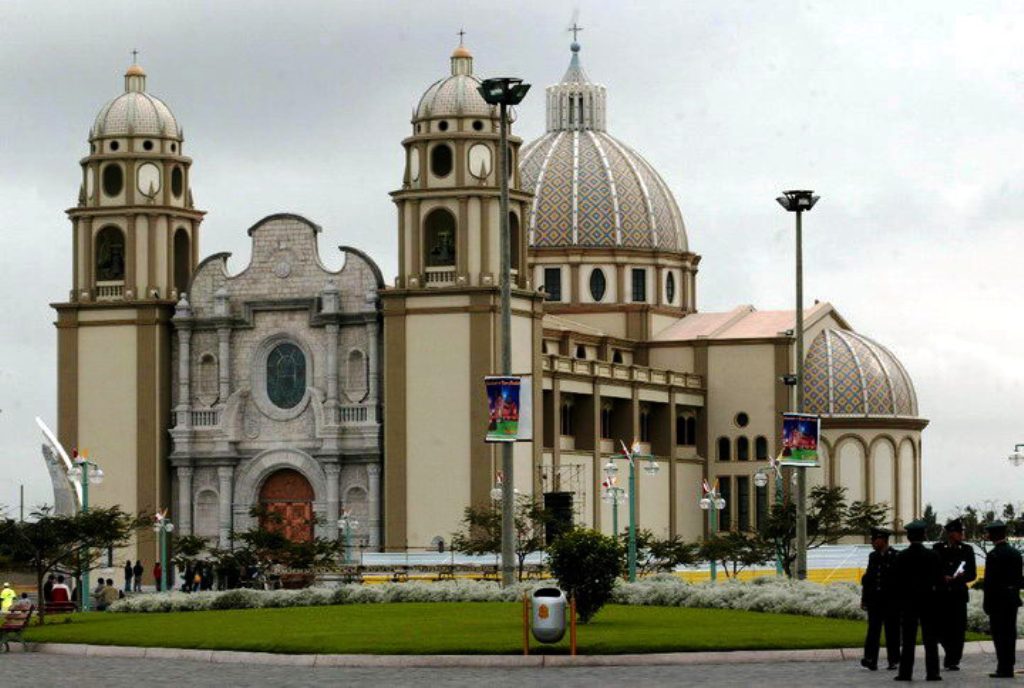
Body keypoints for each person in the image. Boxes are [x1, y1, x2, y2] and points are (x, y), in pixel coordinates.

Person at [894, 519, 943, 682]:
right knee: (930, 639)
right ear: (923, 535)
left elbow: (897, 582)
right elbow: (939, 581)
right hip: (929, 602)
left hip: (909, 603)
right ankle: (933, 672)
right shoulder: (933, 556)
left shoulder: (901, 557)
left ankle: (905, 672)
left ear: (908, 537)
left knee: (908, 639)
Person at [932, 517, 976, 671]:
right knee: (941, 628)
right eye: (959, 532)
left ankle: (953, 659)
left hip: (958, 594)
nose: (961, 534)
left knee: (958, 629)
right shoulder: (938, 548)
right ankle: (950, 652)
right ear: (951, 533)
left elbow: (972, 574)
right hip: (942, 595)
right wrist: (942, 577)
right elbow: (933, 570)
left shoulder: (967, 550)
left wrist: (960, 577)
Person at [983, 520, 1023, 679]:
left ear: (993, 535)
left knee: (999, 634)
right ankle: (1009, 665)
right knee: (1010, 633)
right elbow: (1019, 579)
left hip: (997, 601)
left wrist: (987, 603)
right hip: (1011, 600)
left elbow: (989, 582)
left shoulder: (993, 555)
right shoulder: (1015, 553)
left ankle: (1002, 666)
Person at [861, 526, 900, 671]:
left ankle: (894, 659)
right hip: (875, 600)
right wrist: (865, 599)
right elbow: (868, 579)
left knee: (892, 631)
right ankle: (871, 659)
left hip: (891, 601)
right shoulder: (873, 557)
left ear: (883, 540)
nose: (872, 542)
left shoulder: (896, 556)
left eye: (874, 539)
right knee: (873, 631)